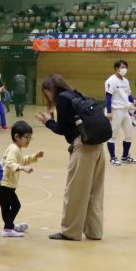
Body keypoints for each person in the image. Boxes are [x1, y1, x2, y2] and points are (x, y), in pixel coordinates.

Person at [37, 74, 105, 241]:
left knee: (75, 192)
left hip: (83, 147)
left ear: (49, 90)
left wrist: (48, 122)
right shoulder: (77, 94)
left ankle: (70, 232)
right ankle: (94, 231)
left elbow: (62, 129)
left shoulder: (62, 99)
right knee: (95, 192)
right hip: (98, 146)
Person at [0, 121, 44, 237]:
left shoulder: (16, 149)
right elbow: (10, 163)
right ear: (17, 136)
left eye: (30, 138)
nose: (28, 140)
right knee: (15, 205)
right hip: (4, 185)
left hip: (5, 185)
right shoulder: (14, 149)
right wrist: (22, 168)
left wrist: (34, 157)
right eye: (26, 137)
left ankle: (9, 226)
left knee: (7, 207)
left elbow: (21, 160)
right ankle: (7, 229)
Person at [105, 59, 136, 166]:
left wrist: (133, 100)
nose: (124, 69)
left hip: (125, 111)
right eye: (122, 67)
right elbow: (108, 97)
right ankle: (113, 158)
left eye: (126, 67)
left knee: (129, 134)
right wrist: (109, 112)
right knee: (112, 135)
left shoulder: (126, 81)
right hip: (115, 111)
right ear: (116, 68)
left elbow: (128, 95)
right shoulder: (111, 80)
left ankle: (125, 156)